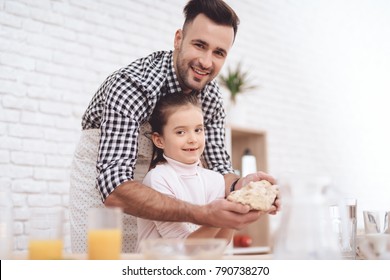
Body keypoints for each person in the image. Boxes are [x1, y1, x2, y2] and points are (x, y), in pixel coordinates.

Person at [70, 0, 279, 254]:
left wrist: (241, 187)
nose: (206, 61)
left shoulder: (210, 96)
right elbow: (113, 188)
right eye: (199, 45)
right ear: (178, 39)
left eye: (219, 52)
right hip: (106, 184)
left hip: (163, 187)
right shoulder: (132, 85)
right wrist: (202, 213)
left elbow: (219, 167)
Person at [137, 93, 236, 251]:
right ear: (159, 140)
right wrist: (222, 217)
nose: (193, 139)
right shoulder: (158, 178)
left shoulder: (216, 180)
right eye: (180, 132)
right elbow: (184, 248)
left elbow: (220, 243)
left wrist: (235, 210)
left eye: (198, 130)